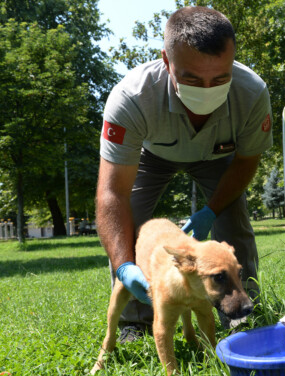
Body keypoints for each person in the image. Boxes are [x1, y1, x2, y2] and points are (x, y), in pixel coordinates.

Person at [96, 6, 272, 342]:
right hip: (151, 155)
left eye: (220, 79)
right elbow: (112, 194)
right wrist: (123, 265)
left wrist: (211, 210)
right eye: (191, 78)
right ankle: (135, 319)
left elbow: (246, 162)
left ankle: (239, 311)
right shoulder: (131, 97)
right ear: (166, 60)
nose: (206, 89)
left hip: (216, 156)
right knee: (128, 220)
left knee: (233, 218)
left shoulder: (252, 93)